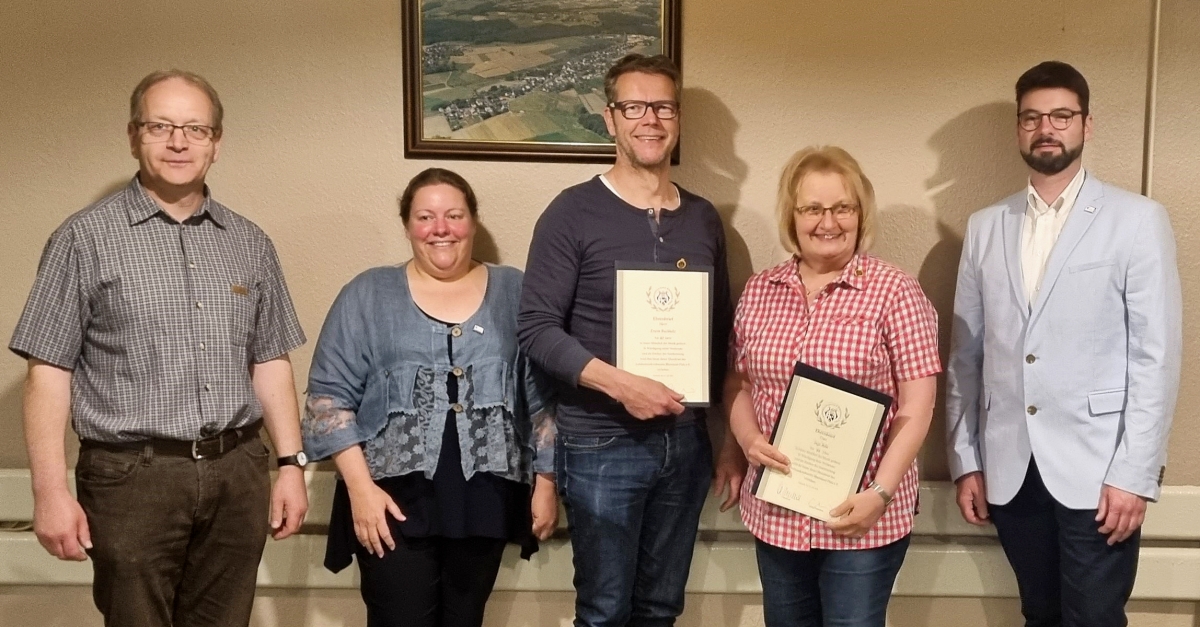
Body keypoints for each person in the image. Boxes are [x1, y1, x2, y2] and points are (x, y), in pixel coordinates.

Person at [9, 70, 309, 627]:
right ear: (133, 135)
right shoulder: (83, 237)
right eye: (161, 126)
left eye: (196, 128)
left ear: (216, 144)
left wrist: (290, 464)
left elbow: (269, 359)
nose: (179, 142)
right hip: (132, 480)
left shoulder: (249, 242)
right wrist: (49, 492)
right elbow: (48, 370)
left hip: (238, 471)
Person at [946, 60, 1182, 627]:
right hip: (1011, 468)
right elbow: (966, 356)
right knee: (1040, 615)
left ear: (1086, 124)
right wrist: (965, 460)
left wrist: (1135, 473)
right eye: (1031, 118)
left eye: (1060, 116)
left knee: (1095, 620)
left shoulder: (1138, 220)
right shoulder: (985, 225)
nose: (1045, 128)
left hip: (1101, 473)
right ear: (1018, 128)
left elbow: (1157, 357)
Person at [517, 53, 742, 627]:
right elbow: (537, 329)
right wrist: (621, 386)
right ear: (610, 118)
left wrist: (729, 438)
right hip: (600, 444)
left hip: (685, 442)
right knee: (604, 611)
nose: (650, 120)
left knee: (662, 609)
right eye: (634, 107)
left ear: (678, 118)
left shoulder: (702, 218)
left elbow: (721, 337)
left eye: (663, 106)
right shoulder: (571, 213)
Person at [303, 167, 558, 627]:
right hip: (389, 502)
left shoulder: (515, 291)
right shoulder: (367, 293)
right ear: (408, 226)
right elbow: (328, 399)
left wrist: (547, 483)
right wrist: (361, 490)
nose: (440, 228)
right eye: (425, 217)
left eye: (454, 215)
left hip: (485, 500)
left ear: (473, 222)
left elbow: (541, 399)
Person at [726, 146, 940, 627]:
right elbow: (738, 383)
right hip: (778, 514)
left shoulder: (896, 292)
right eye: (812, 208)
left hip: (861, 517)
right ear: (792, 215)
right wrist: (747, 439)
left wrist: (880, 495)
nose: (828, 221)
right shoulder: (761, 290)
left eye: (843, 207)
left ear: (861, 215)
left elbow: (919, 405)